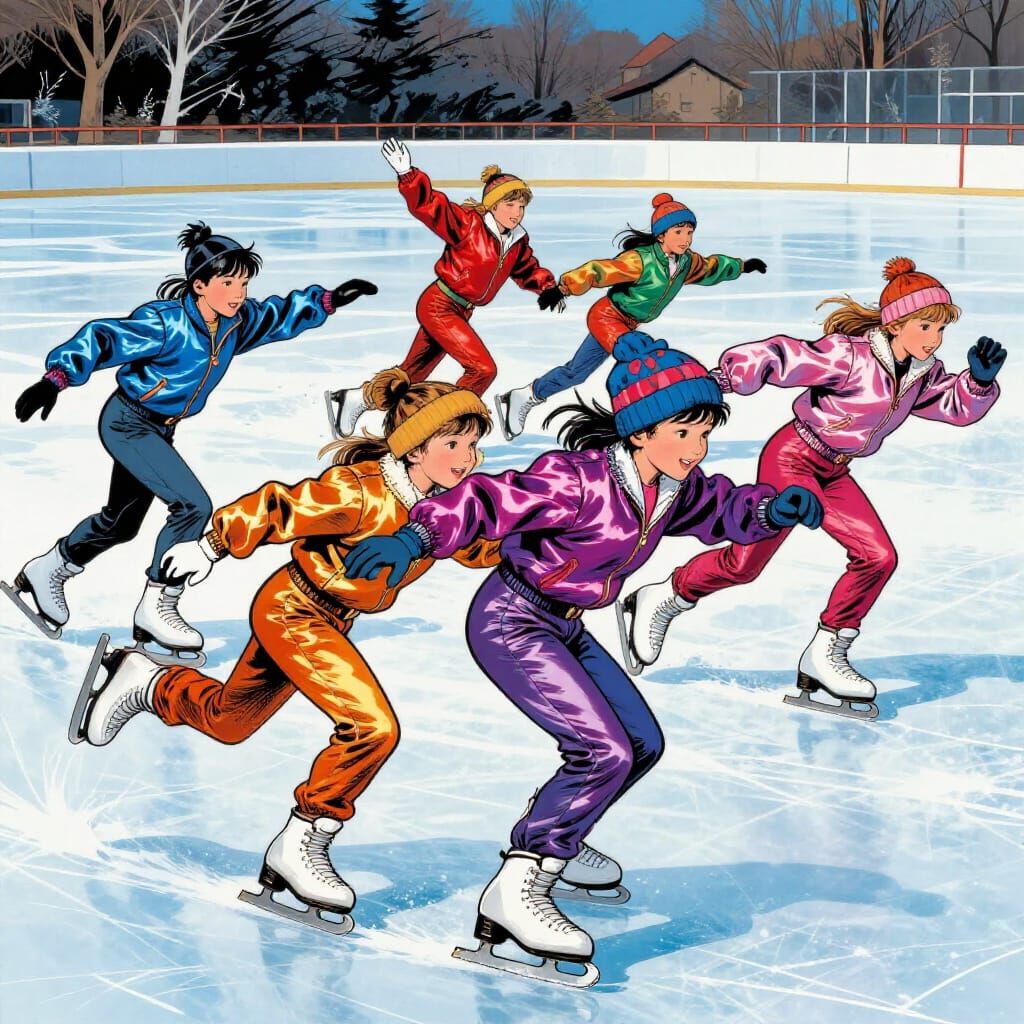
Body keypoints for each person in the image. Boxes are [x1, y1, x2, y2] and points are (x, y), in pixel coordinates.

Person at [343, 331, 822, 985]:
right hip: (512, 620)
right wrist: (416, 535)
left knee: (640, 742)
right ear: (641, 431)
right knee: (604, 752)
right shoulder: (578, 482)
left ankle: (560, 829)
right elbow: (488, 498)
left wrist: (770, 508)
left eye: (705, 433)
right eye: (685, 433)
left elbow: (721, 508)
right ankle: (517, 887)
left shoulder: (674, 488)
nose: (698, 448)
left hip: (564, 624)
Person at [70, 369, 495, 933]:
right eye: (452, 444)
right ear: (414, 449)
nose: (467, 458)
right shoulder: (362, 493)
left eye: (472, 444)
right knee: (371, 726)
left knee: (229, 721)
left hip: (330, 620)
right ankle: (302, 842)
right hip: (295, 609)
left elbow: (479, 544)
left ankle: (145, 682)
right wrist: (214, 545)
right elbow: (278, 508)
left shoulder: (442, 505)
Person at [619, 257, 1005, 720]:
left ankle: (826, 653)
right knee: (745, 564)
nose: (935, 339)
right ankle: (664, 597)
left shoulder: (923, 372)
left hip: (835, 470)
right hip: (793, 456)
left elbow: (952, 406)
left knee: (878, 556)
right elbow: (784, 356)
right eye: (927, 326)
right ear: (896, 323)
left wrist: (979, 384)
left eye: (940, 330)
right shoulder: (850, 356)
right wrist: (721, 379)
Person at [5, 222, 376, 659]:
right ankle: (158, 604)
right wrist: (57, 378)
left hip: (160, 428)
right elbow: (105, 338)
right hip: (129, 421)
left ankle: (49, 568)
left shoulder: (237, 323)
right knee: (192, 506)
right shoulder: (165, 323)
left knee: (121, 522)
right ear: (199, 285)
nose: (238, 292)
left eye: (243, 282)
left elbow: (278, 315)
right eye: (227, 282)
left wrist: (328, 301)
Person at [325, 137, 562, 438]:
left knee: (411, 374)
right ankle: (443, 427)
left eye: (521, 205)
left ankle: (356, 399)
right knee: (482, 369)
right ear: (493, 205)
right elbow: (429, 206)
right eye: (509, 204)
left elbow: (526, 267)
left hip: (461, 310)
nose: (516, 212)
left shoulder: (516, 240)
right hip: (439, 303)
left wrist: (546, 287)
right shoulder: (468, 224)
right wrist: (407, 173)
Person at [493, 192, 766, 440]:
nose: (685, 238)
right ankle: (641, 424)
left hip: (629, 322)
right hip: (608, 317)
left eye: (689, 232)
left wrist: (742, 266)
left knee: (576, 372)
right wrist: (562, 289)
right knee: (637, 353)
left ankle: (524, 396)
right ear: (661, 235)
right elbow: (599, 270)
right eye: (678, 231)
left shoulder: (686, 263)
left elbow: (710, 268)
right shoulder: (641, 261)